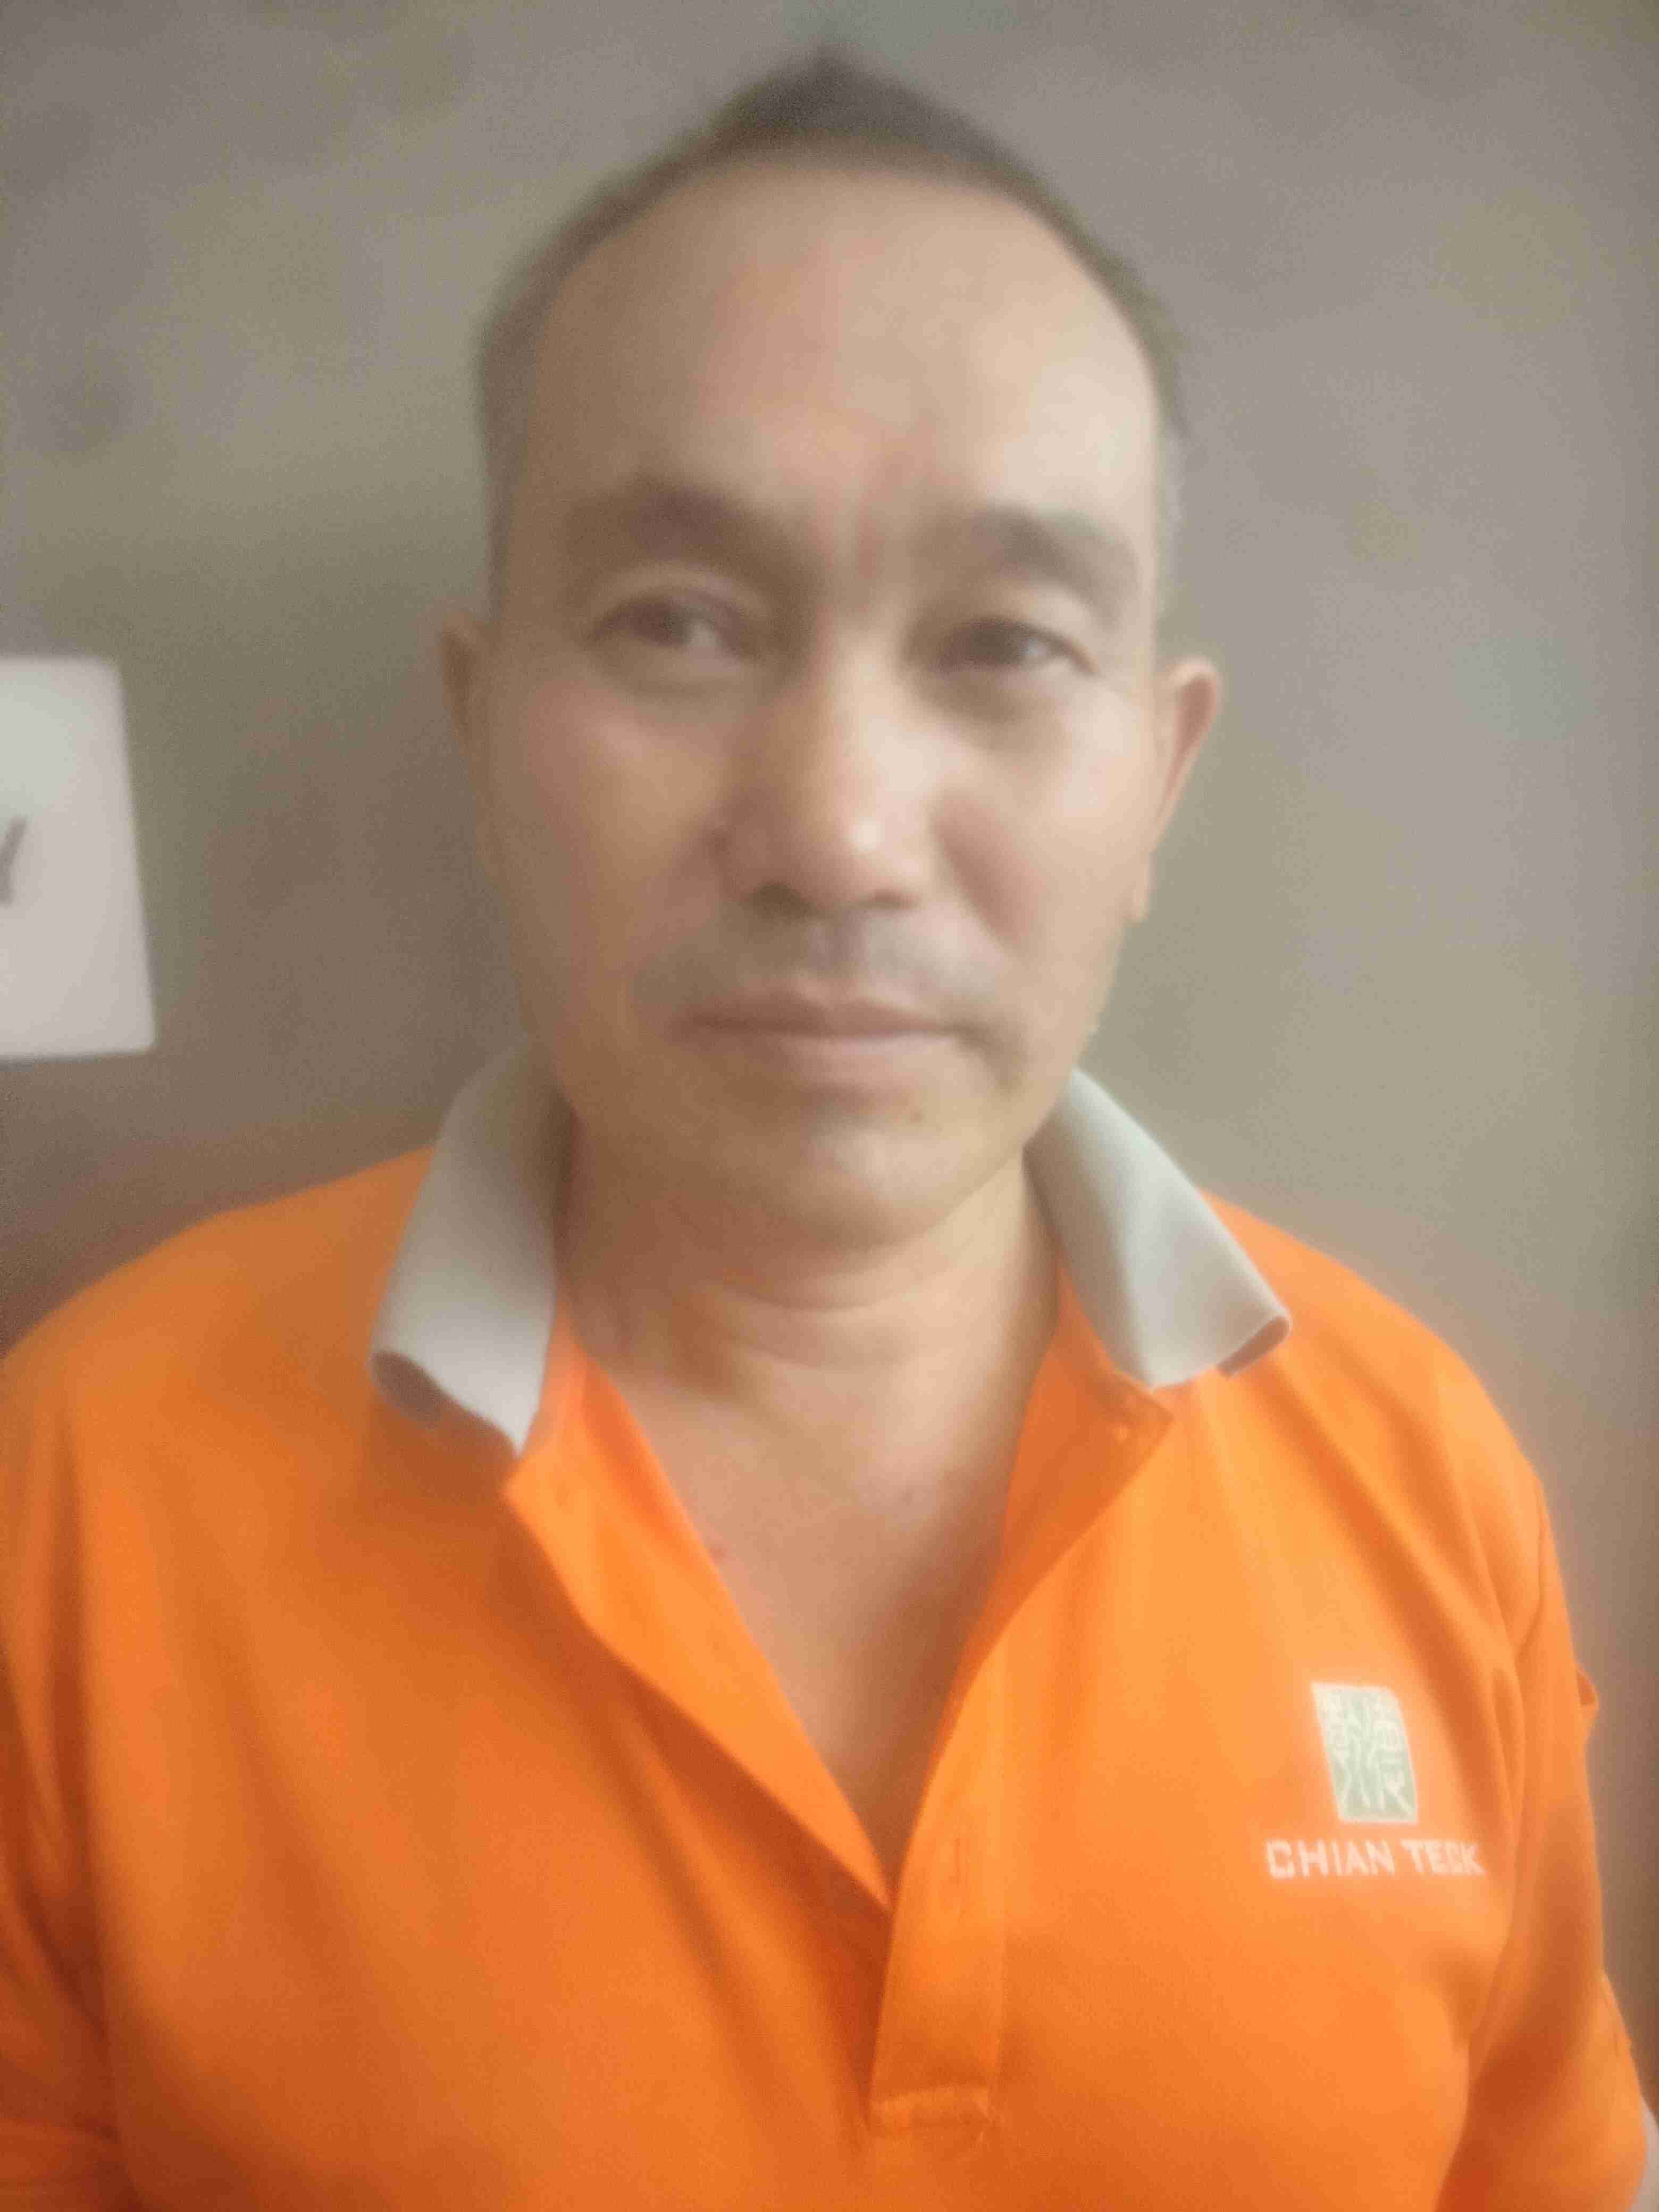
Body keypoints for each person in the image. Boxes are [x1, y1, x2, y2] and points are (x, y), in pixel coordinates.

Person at [1, 43, 1652, 2212]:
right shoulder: (80, 1493)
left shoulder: (1428, 1484)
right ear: (482, 733)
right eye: (678, 623)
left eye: (1007, 641)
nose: (841, 833)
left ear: (1159, 779)